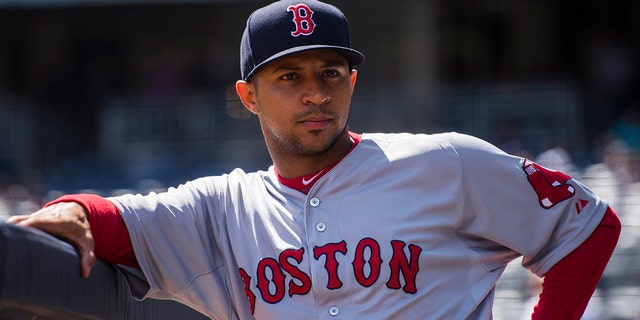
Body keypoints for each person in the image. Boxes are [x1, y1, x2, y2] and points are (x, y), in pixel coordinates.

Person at [8, 1, 621, 319]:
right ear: (248, 96)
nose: (315, 93)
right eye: (289, 76)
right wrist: (74, 213)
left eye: (331, 73)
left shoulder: (443, 162)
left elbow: (588, 227)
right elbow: (118, 221)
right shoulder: (223, 209)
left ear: (353, 82)